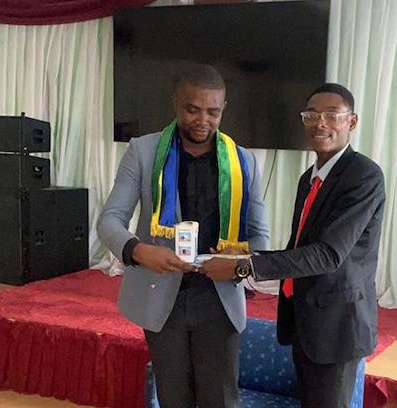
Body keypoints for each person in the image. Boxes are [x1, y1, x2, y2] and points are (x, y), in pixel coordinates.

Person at [201, 83, 386, 408]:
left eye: (332, 115)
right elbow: (299, 250)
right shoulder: (309, 179)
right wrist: (244, 254)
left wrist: (242, 267)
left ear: (352, 121)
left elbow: (327, 255)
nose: (320, 123)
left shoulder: (364, 175)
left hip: (337, 327)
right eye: (311, 116)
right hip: (305, 320)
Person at [97, 63, 269, 408]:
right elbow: (110, 219)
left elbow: (259, 235)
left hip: (219, 298)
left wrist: (238, 265)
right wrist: (139, 250)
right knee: (174, 398)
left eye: (213, 112)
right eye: (192, 109)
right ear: (176, 103)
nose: (202, 120)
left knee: (220, 399)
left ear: (223, 110)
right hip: (161, 296)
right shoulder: (143, 151)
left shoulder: (243, 161)